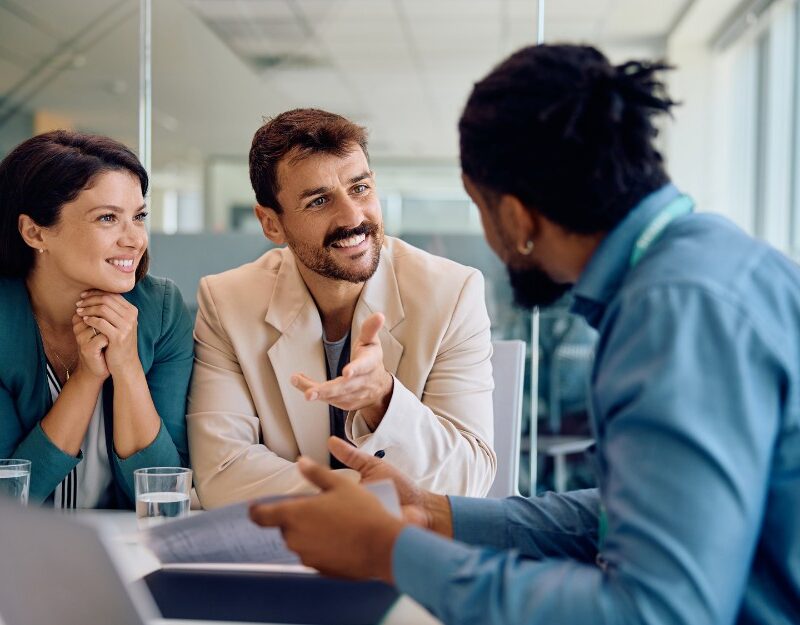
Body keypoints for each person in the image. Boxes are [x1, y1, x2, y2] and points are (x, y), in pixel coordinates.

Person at [249, 45, 800, 625]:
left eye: (480, 209)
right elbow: (641, 514)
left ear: (515, 217)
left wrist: (392, 553)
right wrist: (435, 513)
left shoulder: (674, 313)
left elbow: (652, 613)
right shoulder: (709, 262)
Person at [187, 108, 496, 508]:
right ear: (271, 224)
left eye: (360, 188)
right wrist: (373, 492)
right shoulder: (228, 302)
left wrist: (382, 399)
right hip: (288, 541)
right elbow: (221, 474)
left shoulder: (452, 293)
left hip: (403, 542)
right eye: (319, 201)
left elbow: (469, 479)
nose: (353, 217)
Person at [0, 130, 193, 509]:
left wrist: (127, 367)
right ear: (34, 232)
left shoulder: (162, 310)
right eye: (107, 218)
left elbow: (165, 497)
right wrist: (87, 378)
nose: (134, 239)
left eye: (139, 217)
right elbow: (9, 502)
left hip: (123, 540)